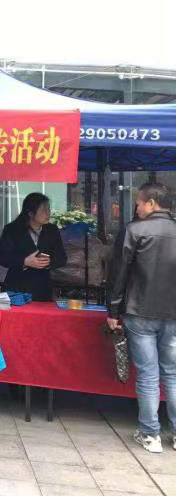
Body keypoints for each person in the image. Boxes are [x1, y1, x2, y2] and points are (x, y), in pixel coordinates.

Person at [108, 182, 176, 454]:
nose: (136, 207)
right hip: (172, 314)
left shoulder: (135, 230)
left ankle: (150, 434)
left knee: (148, 374)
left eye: (139, 202)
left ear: (151, 203)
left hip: (139, 312)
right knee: (172, 373)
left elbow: (119, 274)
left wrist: (113, 311)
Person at [0, 193, 66, 302]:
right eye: (44, 210)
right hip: (16, 286)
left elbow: (62, 258)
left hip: (42, 288)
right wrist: (25, 261)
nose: (48, 213)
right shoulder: (12, 230)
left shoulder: (52, 230)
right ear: (30, 213)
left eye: (49, 209)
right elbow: (3, 258)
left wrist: (48, 262)